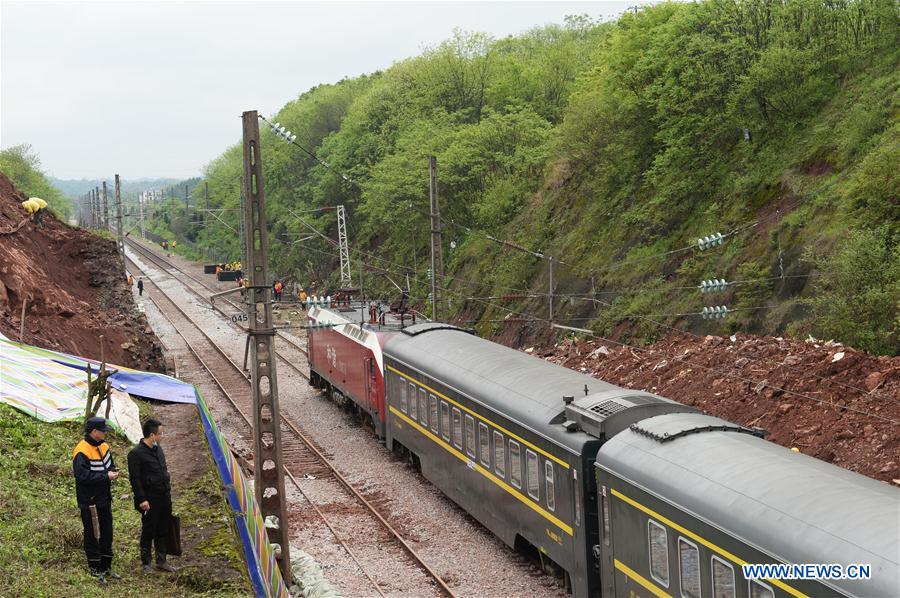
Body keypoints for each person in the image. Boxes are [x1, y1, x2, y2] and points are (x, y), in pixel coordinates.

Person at [72, 416, 120, 584]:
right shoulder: (81, 450)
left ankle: (106, 567)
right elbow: (82, 476)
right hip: (90, 501)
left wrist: (113, 470)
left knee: (107, 531)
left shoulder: (104, 446)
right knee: (93, 534)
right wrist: (105, 476)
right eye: (103, 431)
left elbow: (109, 464)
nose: (105, 433)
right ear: (94, 432)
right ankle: (94, 568)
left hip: (104, 499)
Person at [127, 418, 176, 574]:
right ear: (152, 435)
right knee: (149, 529)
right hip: (150, 497)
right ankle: (146, 562)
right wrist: (142, 499)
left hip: (164, 495)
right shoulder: (136, 454)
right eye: (160, 434)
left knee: (163, 527)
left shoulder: (158, 449)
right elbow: (135, 479)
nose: (162, 436)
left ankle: (161, 560)